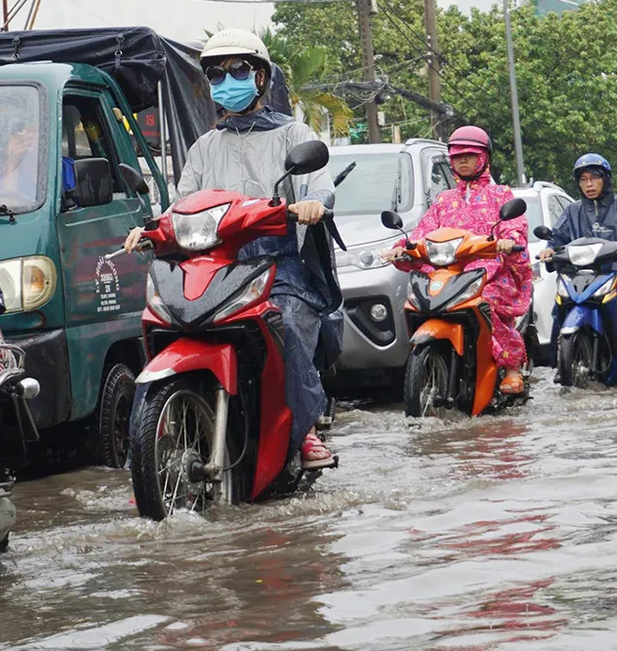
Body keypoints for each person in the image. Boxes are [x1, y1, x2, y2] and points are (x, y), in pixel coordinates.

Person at [124, 28, 340, 469]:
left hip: (277, 264)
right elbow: (180, 204)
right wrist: (151, 228)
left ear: (261, 77)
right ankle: (149, 451)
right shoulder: (204, 147)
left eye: (238, 70)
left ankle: (305, 430)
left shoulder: (292, 134)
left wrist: (315, 202)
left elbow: (320, 184)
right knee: (167, 324)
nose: (228, 81)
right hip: (215, 266)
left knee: (287, 325)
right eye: (217, 75)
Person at [386, 126, 532, 393]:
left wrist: (508, 239)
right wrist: (400, 247)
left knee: (487, 302)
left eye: (470, 155)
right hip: (448, 274)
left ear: (484, 158)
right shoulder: (444, 200)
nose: (463, 161)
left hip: (491, 274)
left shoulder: (501, 194)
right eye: (457, 156)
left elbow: (515, 225)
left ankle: (512, 367)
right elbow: (422, 232)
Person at [539, 154, 617, 377]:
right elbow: (557, 237)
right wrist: (549, 249)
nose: (589, 184)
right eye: (583, 179)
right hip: (580, 274)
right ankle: (561, 360)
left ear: (605, 179)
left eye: (594, 178)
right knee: (560, 306)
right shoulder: (572, 211)